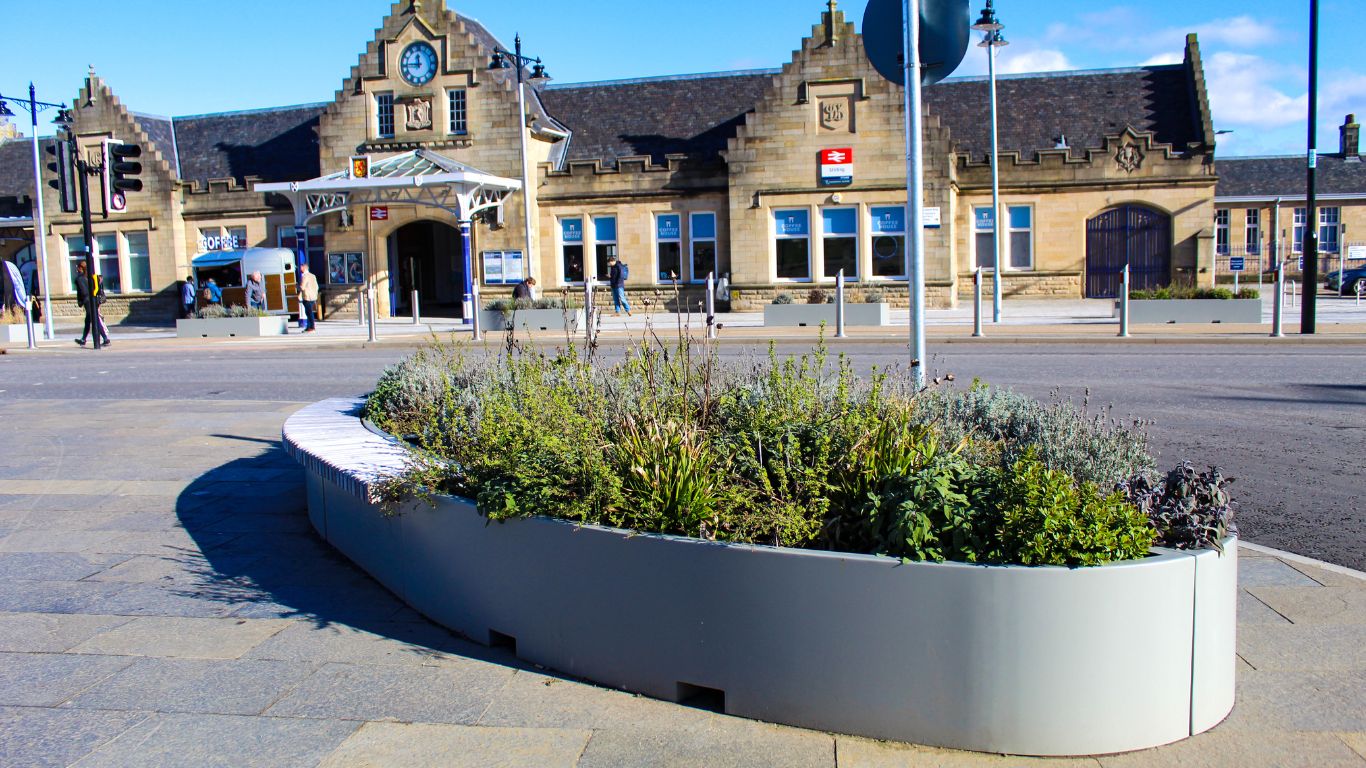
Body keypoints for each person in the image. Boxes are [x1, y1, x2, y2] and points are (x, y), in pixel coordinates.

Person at [72, 262, 110, 348]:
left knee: (94, 320)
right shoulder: (92, 276)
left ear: (80, 268)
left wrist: (80, 301)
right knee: (88, 320)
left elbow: (82, 292)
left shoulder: (80, 279)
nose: (76, 269)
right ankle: (83, 339)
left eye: (77, 267)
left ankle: (105, 339)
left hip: (88, 301)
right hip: (94, 300)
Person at [297, 261, 319, 333]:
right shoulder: (313, 276)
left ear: (304, 267)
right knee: (309, 312)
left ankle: (312, 327)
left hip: (307, 297)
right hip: (313, 297)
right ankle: (308, 327)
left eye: (301, 266)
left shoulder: (305, 276)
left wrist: (297, 286)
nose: (300, 268)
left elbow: (302, 287)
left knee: (309, 313)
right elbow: (317, 287)